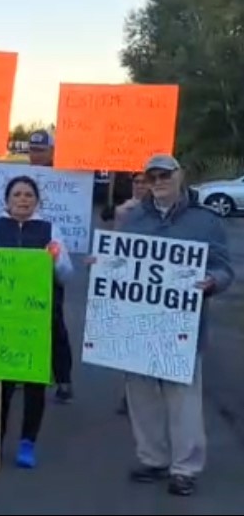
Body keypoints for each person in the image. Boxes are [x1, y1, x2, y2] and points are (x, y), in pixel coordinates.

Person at [113, 154, 233, 497]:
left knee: (183, 402)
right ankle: (152, 458)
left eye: (165, 175)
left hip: (182, 328)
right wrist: (103, 264)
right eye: (151, 177)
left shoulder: (204, 221)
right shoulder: (134, 218)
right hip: (137, 326)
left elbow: (225, 268)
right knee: (141, 398)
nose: (158, 181)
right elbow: (119, 261)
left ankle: (185, 468)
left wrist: (213, 281)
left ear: (180, 176)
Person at [0, 175, 73, 469]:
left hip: (37, 320)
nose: (22, 199)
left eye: (28, 195)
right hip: (2, 319)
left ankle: (28, 441)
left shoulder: (50, 230)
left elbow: (66, 276)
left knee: (33, 386)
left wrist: (56, 260)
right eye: (16, 194)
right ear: (7, 200)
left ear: (36, 200)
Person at [27, 129, 74, 403]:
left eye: (42, 150)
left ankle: (64, 379)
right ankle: (24, 370)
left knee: (54, 324)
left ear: (52, 151)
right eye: (33, 150)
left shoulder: (65, 179)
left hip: (50, 263)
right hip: (23, 264)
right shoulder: (16, 178)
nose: (36, 155)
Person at [101, 170, 149, 416]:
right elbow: (118, 246)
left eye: (145, 182)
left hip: (154, 283)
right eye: (136, 182)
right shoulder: (125, 210)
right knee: (132, 337)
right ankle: (130, 394)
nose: (139, 186)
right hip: (131, 282)